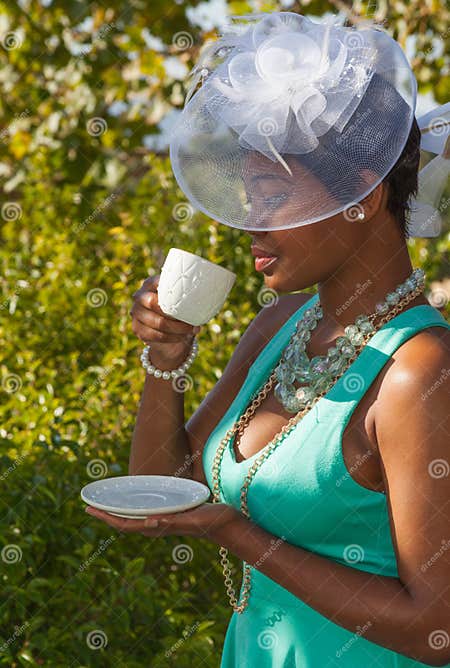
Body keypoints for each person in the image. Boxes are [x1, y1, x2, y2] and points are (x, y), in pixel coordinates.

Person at [85, 11, 450, 667]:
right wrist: (165, 361)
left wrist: (240, 535)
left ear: (363, 196)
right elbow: (163, 483)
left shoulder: (419, 372)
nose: (249, 222)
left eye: (272, 195)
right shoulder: (280, 326)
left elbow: (435, 629)